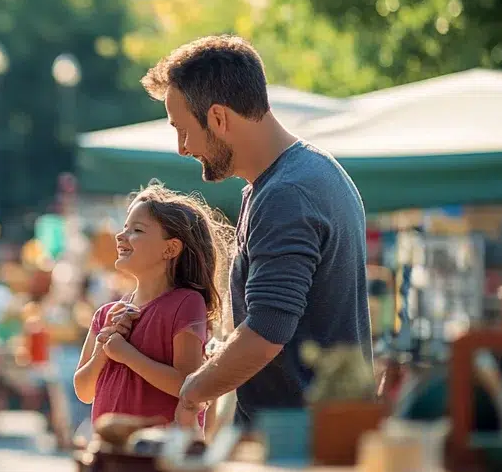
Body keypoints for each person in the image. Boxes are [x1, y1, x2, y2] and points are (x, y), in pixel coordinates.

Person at [137, 35, 373, 427]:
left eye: (182, 129)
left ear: (218, 118)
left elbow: (267, 332)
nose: (182, 147)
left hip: (302, 444)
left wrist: (192, 391)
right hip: (311, 434)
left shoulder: (287, 194)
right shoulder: (298, 175)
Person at [72, 183, 232, 426]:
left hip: (158, 454)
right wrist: (103, 350)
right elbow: (83, 390)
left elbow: (189, 386)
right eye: (124, 227)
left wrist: (127, 354)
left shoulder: (187, 303)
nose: (120, 235)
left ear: (170, 248)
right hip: (112, 452)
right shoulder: (107, 314)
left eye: (136, 230)